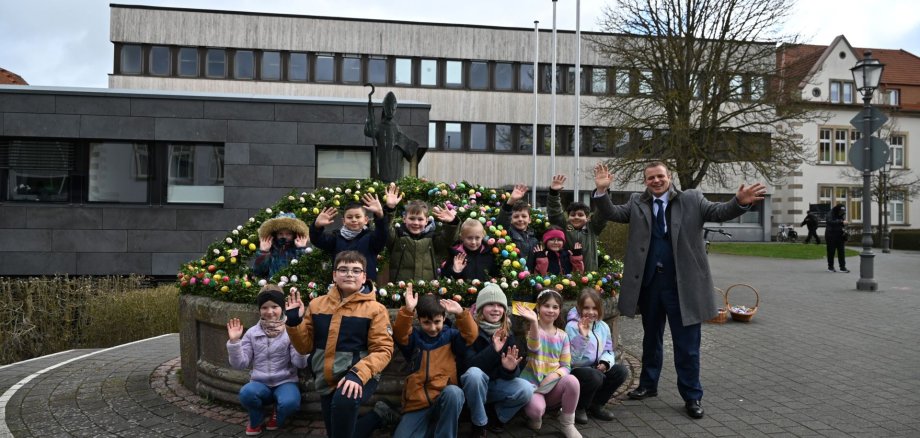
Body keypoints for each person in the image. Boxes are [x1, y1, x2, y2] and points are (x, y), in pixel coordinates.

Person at [592, 161, 766, 420]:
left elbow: (718, 212)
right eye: (651, 178)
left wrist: (739, 202)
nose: (656, 181)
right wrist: (602, 192)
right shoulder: (637, 202)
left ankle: (692, 395)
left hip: (683, 287)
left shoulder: (692, 199)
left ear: (669, 176)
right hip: (650, 286)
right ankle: (648, 385)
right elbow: (613, 214)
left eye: (660, 176)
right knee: (651, 340)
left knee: (687, 346)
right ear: (645, 181)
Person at [284, 251, 397, 438]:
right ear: (334, 275)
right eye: (343, 270)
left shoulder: (376, 310)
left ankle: (375, 412)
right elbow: (304, 347)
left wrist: (357, 375)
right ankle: (378, 415)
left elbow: (383, 350)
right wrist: (294, 322)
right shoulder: (317, 305)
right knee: (338, 433)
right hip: (326, 377)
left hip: (360, 376)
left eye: (355, 270)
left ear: (364, 277)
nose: (349, 274)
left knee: (345, 403)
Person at [393, 285, 478, 437]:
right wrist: (408, 310)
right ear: (419, 320)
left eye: (437, 321)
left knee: (455, 392)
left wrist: (460, 313)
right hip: (417, 405)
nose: (433, 328)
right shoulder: (414, 339)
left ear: (444, 318)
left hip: (443, 401)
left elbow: (470, 336)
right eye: (427, 322)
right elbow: (400, 334)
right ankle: (430, 430)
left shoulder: (451, 337)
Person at [226, 285, 309, 436]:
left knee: (290, 403)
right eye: (264, 307)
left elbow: (300, 363)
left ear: (282, 308)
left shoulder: (290, 330)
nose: (270, 312)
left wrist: (298, 333)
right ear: (259, 310)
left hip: (285, 381)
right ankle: (256, 418)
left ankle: (278, 414)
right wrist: (234, 342)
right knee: (246, 393)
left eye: (274, 306)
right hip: (260, 382)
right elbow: (240, 364)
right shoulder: (252, 333)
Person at [460, 283, 533, 437]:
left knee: (526, 388)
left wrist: (509, 369)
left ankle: (497, 417)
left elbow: (513, 374)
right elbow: (468, 366)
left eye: (500, 305)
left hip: (495, 386)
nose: (496, 309)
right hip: (473, 387)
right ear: (480, 308)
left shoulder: (508, 332)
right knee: (474, 374)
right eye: (490, 304)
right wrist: (493, 350)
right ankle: (478, 423)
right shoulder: (471, 330)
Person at [515, 290, 582, 438]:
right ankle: (535, 415)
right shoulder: (532, 330)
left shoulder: (563, 336)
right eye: (546, 306)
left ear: (559, 310)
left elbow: (566, 365)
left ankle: (567, 424)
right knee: (537, 411)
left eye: (555, 307)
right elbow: (534, 347)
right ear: (538, 308)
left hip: (552, 385)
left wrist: (554, 375)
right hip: (533, 385)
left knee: (573, 381)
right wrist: (533, 321)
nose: (551, 310)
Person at [310, 183, 402, 281]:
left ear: (366, 220)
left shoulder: (371, 238)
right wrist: (317, 226)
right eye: (349, 217)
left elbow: (383, 233)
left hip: (365, 287)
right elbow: (317, 240)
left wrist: (380, 214)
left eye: (358, 217)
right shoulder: (336, 238)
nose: (354, 220)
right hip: (341, 286)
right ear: (343, 221)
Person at [564, 288, 629, 424]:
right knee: (595, 376)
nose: (591, 312)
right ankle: (579, 407)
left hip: (595, 368)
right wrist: (583, 336)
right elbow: (572, 358)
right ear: (579, 308)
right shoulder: (571, 327)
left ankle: (597, 404)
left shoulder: (603, 326)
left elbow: (608, 350)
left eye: (594, 308)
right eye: (586, 308)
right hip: (577, 370)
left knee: (621, 371)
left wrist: (605, 363)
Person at [387, 200, 459, 282]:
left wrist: (452, 223)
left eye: (420, 219)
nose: (416, 223)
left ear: (426, 221)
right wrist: (390, 210)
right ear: (404, 219)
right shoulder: (397, 236)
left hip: (427, 290)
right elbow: (385, 229)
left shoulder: (433, 238)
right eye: (412, 218)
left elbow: (448, 239)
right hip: (401, 290)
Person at [547, 175, 607, 272]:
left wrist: (602, 191)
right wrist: (554, 193)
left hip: (590, 276)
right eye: (573, 214)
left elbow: (602, 214)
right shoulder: (563, 227)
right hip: (566, 277)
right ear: (568, 216)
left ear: (587, 218)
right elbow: (555, 213)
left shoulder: (593, 228)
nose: (576, 217)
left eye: (580, 215)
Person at [364, 89, 419, 183]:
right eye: (388, 108)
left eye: (393, 109)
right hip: (384, 162)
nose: (390, 111)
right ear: (384, 108)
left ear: (395, 109)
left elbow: (409, 148)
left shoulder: (396, 127)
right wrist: (370, 116)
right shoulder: (380, 126)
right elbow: (368, 131)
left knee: (395, 180)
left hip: (396, 163)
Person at [253, 212, 310, 279]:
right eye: (280, 233)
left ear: (294, 235)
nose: (284, 236)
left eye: (288, 234)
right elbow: (258, 272)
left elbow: (305, 272)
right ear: (275, 234)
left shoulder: (298, 249)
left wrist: (301, 249)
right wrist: (264, 252)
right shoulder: (271, 249)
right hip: (272, 287)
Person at [496, 184, 540, 257]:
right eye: (516, 216)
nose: (520, 219)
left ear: (529, 220)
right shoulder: (508, 233)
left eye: (524, 216)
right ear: (511, 219)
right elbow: (502, 222)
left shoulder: (534, 240)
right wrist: (511, 201)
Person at [825, 204, 849, 273]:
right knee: (831, 252)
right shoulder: (830, 213)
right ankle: (830, 267)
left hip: (839, 235)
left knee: (841, 251)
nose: (842, 212)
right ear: (837, 209)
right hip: (830, 235)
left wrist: (844, 226)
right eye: (841, 211)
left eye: (843, 211)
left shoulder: (841, 214)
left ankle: (842, 267)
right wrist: (841, 222)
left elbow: (841, 223)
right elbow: (829, 222)